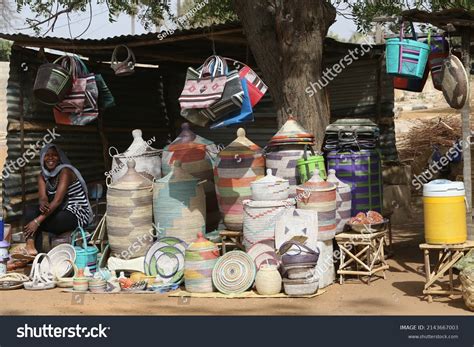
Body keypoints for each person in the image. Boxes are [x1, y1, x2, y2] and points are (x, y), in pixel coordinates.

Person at [15, 144, 93, 257]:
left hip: (75, 213)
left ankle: (38, 254)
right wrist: (43, 201)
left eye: (54, 155)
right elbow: (42, 196)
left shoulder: (65, 172)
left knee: (38, 222)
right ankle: (31, 246)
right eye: (47, 155)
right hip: (58, 210)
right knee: (29, 211)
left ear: (59, 157)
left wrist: (36, 222)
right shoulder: (42, 176)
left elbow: (57, 200)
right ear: (42, 158)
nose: (50, 158)